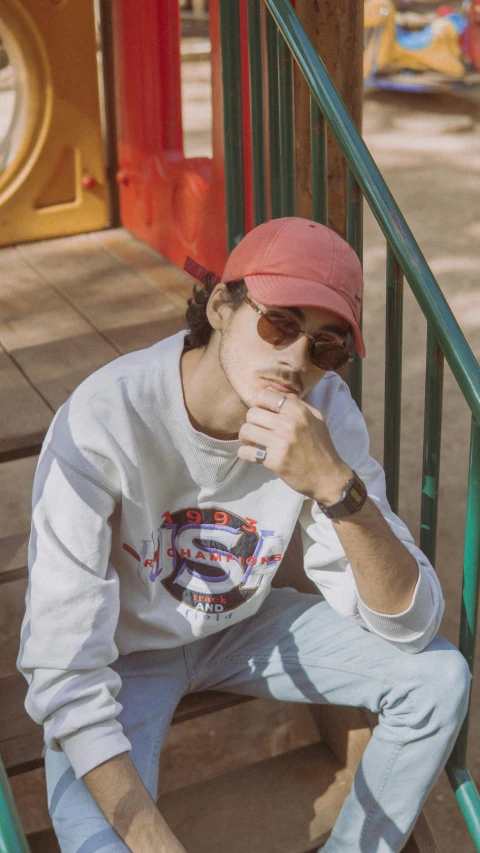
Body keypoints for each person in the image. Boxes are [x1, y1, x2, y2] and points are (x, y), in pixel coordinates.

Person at [18, 217, 470, 853]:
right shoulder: (105, 418)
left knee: (439, 678)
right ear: (221, 304)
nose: (295, 359)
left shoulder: (327, 413)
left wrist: (337, 490)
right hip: (123, 655)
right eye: (279, 322)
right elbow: (63, 672)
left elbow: (409, 626)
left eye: (325, 346)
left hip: (239, 628)